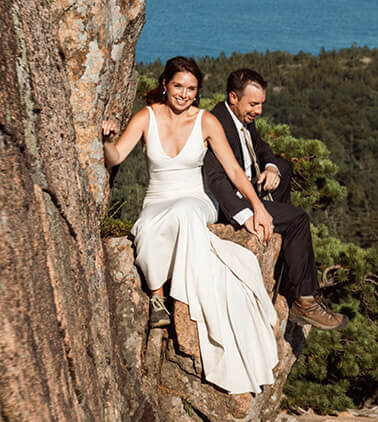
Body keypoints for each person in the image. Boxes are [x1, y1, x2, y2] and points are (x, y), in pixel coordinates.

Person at [101, 57, 281, 395]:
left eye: (192, 89)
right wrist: (109, 139)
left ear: (198, 93)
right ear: (166, 84)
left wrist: (257, 207)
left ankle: (171, 296)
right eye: (179, 86)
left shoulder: (206, 122)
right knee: (145, 228)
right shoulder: (147, 117)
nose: (184, 94)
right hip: (157, 200)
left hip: (197, 200)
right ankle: (158, 297)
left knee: (184, 213)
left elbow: (233, 172)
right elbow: (116, 157)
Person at [201, 68, 344, 331]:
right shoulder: (217, 123)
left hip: (249, 185)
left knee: (284, 167)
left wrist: (271, 168)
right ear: (233, 97)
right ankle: (304, 301)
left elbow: (262, 146)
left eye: (261, 104)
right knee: (299, 220)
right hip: (232, 201)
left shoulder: (241, 116)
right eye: (253, 104)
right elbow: (216, 180)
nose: (258, 111)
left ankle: (290, 266)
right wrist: (245, 217)